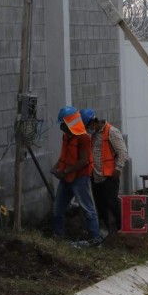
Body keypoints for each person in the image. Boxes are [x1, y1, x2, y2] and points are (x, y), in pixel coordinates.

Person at [51, 106, 102, 247]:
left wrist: (65, 171)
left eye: (63, 124)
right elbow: (65, 155)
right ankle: (58, 235)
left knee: (87, 208)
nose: (61, 127)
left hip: (80, 178)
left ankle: (96, 238)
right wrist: (56, 167)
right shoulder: (67, 136)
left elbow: (84, 160)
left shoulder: (84, 137)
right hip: (67, 177)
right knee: (58, 208)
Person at [80, 108, 128, 235]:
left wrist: (117, 169)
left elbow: (122, 152)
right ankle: (105, 231)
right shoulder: (94, 134)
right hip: (96, 177)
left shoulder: (111, 131)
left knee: (112, 203)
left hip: (109, 176)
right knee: (100, 205)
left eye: (87, 126)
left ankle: (120, 228)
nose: (87, 130)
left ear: (93, 122)